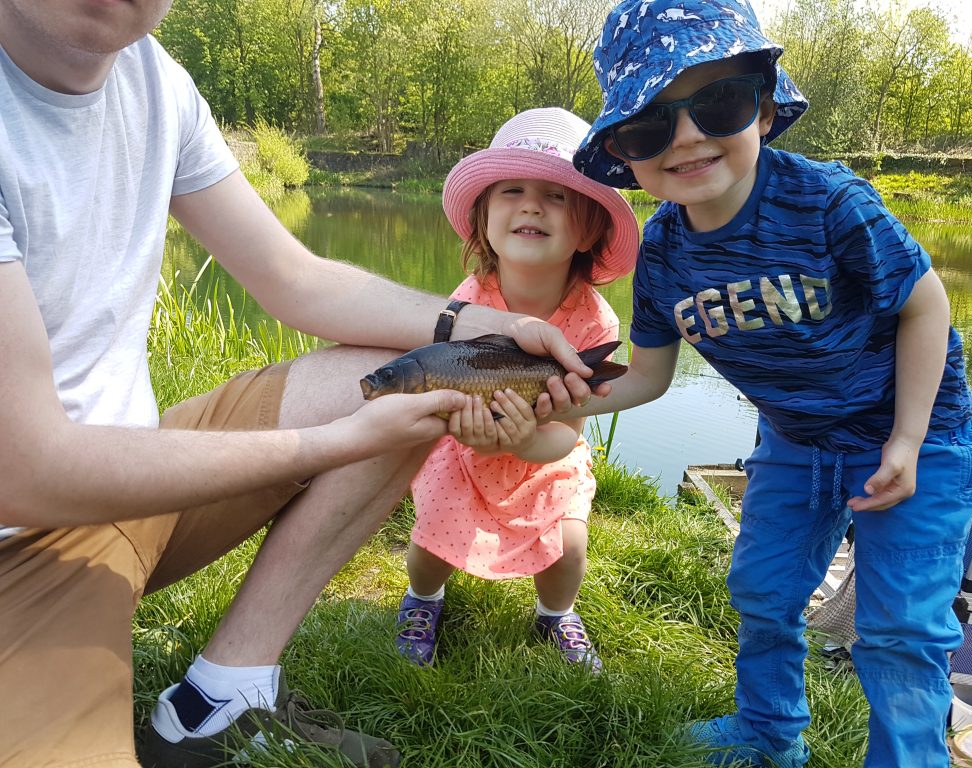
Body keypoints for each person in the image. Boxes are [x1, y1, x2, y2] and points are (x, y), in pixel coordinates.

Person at [0, 3, 604, 767]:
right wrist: (335, 443)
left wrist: (477, 332)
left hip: (130, 470)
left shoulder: (156, 80)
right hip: (18, 542)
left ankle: (221, 699)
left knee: (395, 378)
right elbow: (24, 472)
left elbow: (295, 278)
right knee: (388, 396)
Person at [556, 0, 972, 765]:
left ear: (762, 107)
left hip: (923, 438)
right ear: (625, 153)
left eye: (716, 104)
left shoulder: (830, 203)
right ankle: (766, 732)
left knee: (899, 630)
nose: (686, 138)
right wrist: (561, 399)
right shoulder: (661, 251)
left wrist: (909, 439)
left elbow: (927, 306)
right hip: (797, 444)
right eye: (650, 126)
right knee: (764, 592)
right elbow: (649, 377)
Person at [393, 108, 639, 674]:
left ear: (590, 227)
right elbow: (439, 380)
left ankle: (556, 613)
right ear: (483, 220)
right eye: (513, 190)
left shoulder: (595, 322)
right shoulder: (469, 300)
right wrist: (470, 431)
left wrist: (526, 441)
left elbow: (569, 432)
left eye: (557, 195)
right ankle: (423, 600)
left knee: (568, 545)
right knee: (433, 538)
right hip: (464, 446)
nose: (531, 204)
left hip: (545, 453)